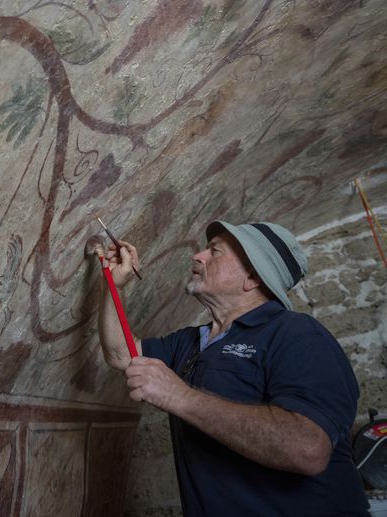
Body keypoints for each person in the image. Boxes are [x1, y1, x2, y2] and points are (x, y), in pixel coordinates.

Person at [98, 220, 369, 516]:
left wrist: (180, 397)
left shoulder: (297, 334)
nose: (198, 256)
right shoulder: (190, 341)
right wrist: (113, 283)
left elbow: (307, 448)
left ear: (252, 276)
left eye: (215, 252)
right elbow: (122, 354)